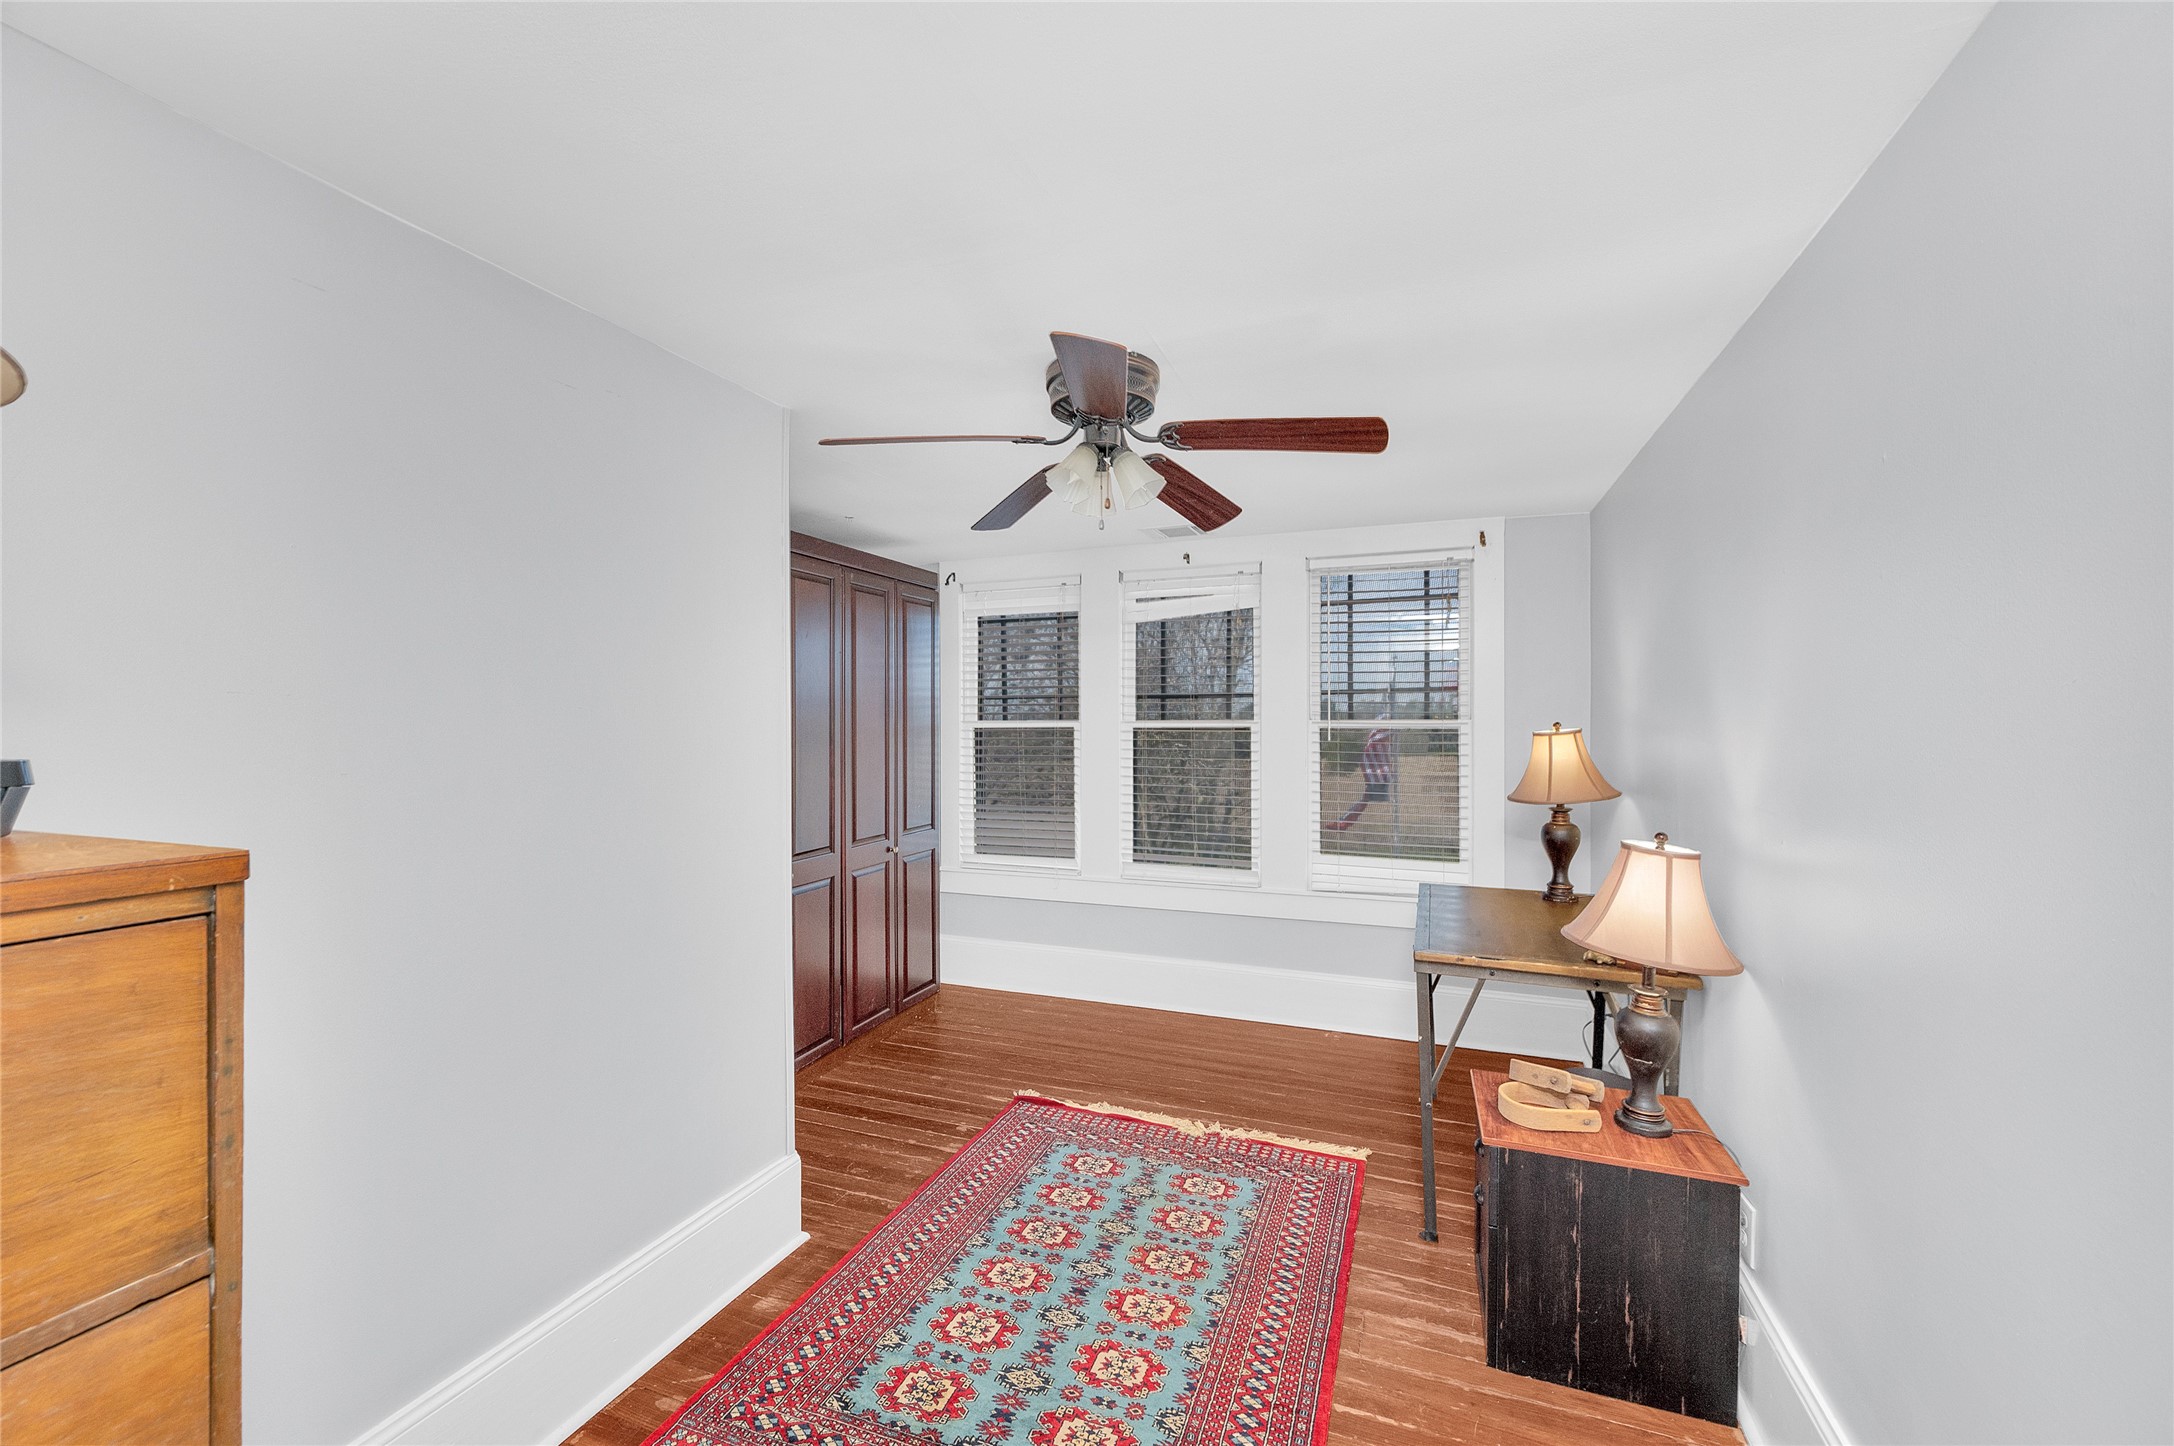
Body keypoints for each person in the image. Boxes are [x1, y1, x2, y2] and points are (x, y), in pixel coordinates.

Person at [1324, 723, 1394, 831]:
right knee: (1366, 799)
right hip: (1378, 772)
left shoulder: (1381, 736)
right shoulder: (1378, 737)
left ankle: (1345, 822)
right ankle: (1345, 822)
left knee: (1365, 799)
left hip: (1379, 772)